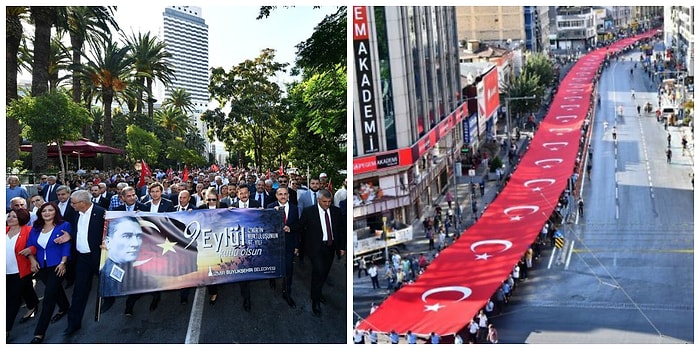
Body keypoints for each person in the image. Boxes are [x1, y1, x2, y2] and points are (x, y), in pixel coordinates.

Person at [19, 202, 72, 343]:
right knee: (55, 290)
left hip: (57, 265)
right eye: (44, 211)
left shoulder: (64, 225)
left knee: (48, 297)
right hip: (41, 266)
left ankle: (39, 332)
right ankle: (65, 307)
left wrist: (63, 263)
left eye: (50, 210)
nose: (47, 213)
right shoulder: (36, 228)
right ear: (40, 213)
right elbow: (30, 245)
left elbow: (66, 244)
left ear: (55, 212)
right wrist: (32, 260)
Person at [64, 190, 106, 337]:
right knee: (79, 291)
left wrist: (107, 243)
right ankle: (73, 324)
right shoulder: (74, 213)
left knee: (106, 281)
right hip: (81, 259)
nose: (71, 205)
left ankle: (109, 299)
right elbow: (76, 230)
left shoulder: (101, 213)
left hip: (97, 257)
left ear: (83, 203)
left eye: (73, 203)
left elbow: (110, 232)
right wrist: (69, 236)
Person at [299, 189, 345, 316]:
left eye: (329, 201)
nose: (327, 204)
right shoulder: (309, 212)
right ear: (318, 200)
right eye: (324, 201)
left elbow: (341, 230)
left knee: (324, 273)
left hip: (330, 247)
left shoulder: (336, 212)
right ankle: (315, 300)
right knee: (318, 271)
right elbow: (300, 228)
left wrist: (341, 247)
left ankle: (318, 293)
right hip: (315, 248)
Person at [6, 208, 40, 340]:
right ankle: (32, 305)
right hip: (5, 270)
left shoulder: (28, 230)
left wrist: (29, 250)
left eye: (14, 217)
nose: (10, 218)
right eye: (9, 216)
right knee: (25, 289)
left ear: (21, 218)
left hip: (20, 270)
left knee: (12, 299)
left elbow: (36, 245)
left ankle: (6, 329)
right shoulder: (4, 230)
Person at [267, 186, 301, 308]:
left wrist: (291, 230)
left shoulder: (294, 208)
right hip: (274, 245)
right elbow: (265, 225)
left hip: (289, 244)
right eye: (280, 194)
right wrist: (273, 214)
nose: (283, 196)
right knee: (274, 266)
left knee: (288, 270)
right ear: (276, 196)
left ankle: (287, 293)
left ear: (288, 195)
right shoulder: (270, 207)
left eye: (285, 194)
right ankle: (272, 279)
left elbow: (298, 226)